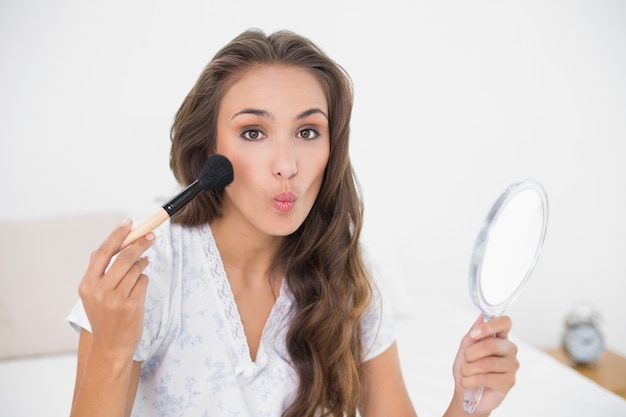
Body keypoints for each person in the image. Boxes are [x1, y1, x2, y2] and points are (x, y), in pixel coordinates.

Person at [67, 29, 519, 417]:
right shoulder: (150, 270)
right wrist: (110, 346)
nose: (286, 165)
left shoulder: (349, 270)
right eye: (253, 132)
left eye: (307, 132)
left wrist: (467, 403)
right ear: (210, 150)